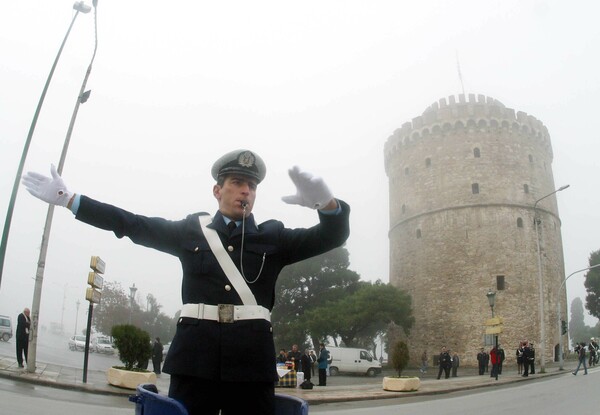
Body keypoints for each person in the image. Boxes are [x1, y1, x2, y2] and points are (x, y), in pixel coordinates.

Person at [22, 150, 350, 415]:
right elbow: (131, 224)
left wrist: (327, 205)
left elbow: (331, 237)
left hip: (250, 365)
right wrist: (70, 200)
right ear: (217, 189)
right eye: (237, 182)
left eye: (251, 185)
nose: (246, 190)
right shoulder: (191, 231)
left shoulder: (274, 235)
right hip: (195, 360)